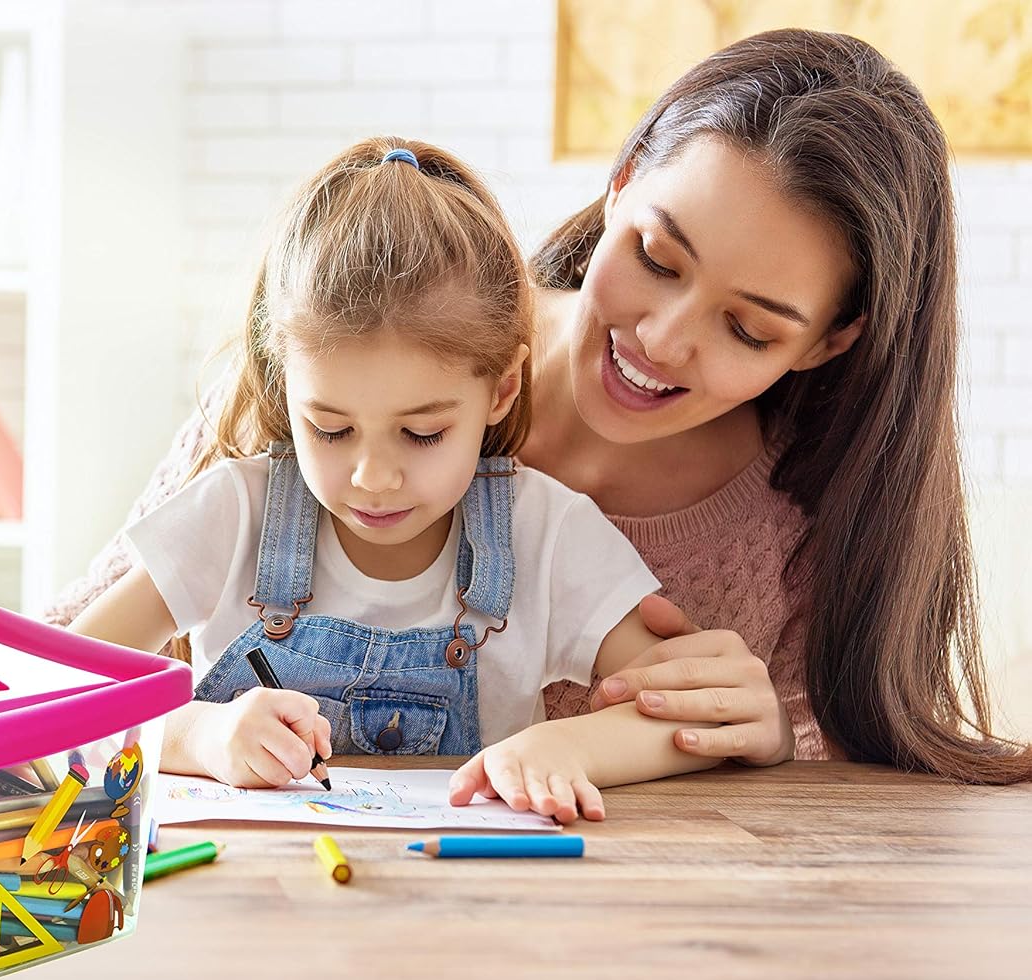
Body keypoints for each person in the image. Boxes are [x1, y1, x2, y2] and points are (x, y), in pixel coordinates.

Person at [53, 29, 1030, 786]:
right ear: (620, 183)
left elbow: (828, 805)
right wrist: (198, 731)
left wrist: (766, 733)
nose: (664, 338)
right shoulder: (354, 343)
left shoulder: (782, 523)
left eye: (750, 328)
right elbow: (50, 675)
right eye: (657, 256)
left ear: (828, 342)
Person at [71, 137, 732, 822]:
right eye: (329, 428)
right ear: (284, 383)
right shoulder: (236, 513)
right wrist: (198, 734)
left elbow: (687, 720)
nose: (373, 477)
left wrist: (568, 747)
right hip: (254, 901)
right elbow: (52, 694)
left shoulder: (544, 533)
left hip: (469, 900)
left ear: (502, 390)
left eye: (422, 434)